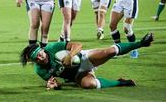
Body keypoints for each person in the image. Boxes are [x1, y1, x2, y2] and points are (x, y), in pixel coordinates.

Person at [20, 33, 154, 90]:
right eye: (35, 59)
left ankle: (141, 43)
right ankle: (121, 82)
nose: (40, 58)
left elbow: (77, 45)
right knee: (89, 85)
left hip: (83, 58)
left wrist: (70, 56)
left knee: (109, 52)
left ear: (42, 50)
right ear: (33, 61)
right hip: (77, 76)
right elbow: (53, 81)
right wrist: (52, 85)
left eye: (39, 54)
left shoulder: (52, 47)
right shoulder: (39, 70)